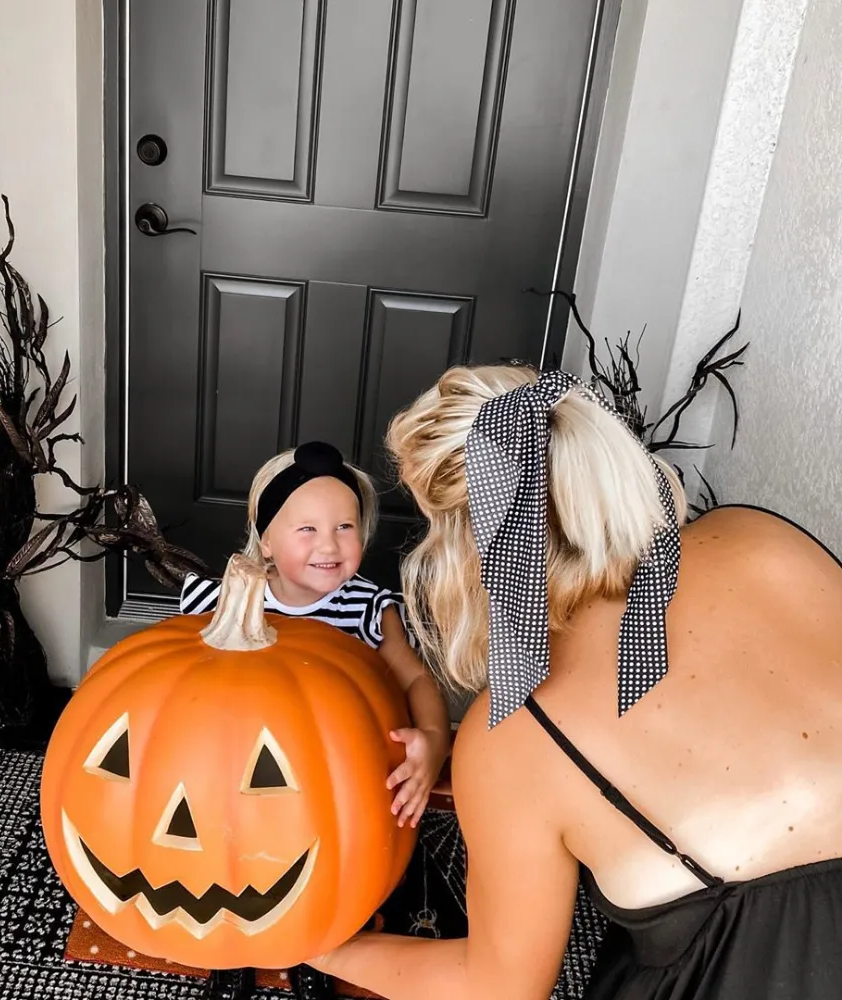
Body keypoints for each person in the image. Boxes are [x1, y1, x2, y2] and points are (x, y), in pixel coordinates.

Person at [306, 365, 842, 1000]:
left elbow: (497, 989)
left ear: (463, 543)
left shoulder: (519, 734)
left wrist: (324, 944)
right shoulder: (763, 537)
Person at [180, 440, 451, 1000]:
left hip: (333, 779)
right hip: (237, 771)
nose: (329, 545)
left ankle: (323, 940)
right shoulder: (220, 600)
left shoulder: (367, 606)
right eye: (306, 529)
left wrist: (432, 740)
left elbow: (416, 680)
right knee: (226, 844)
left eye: (345, 527)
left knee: (338, 857)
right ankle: (231, 946)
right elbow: (174, 687)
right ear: (266, 538)